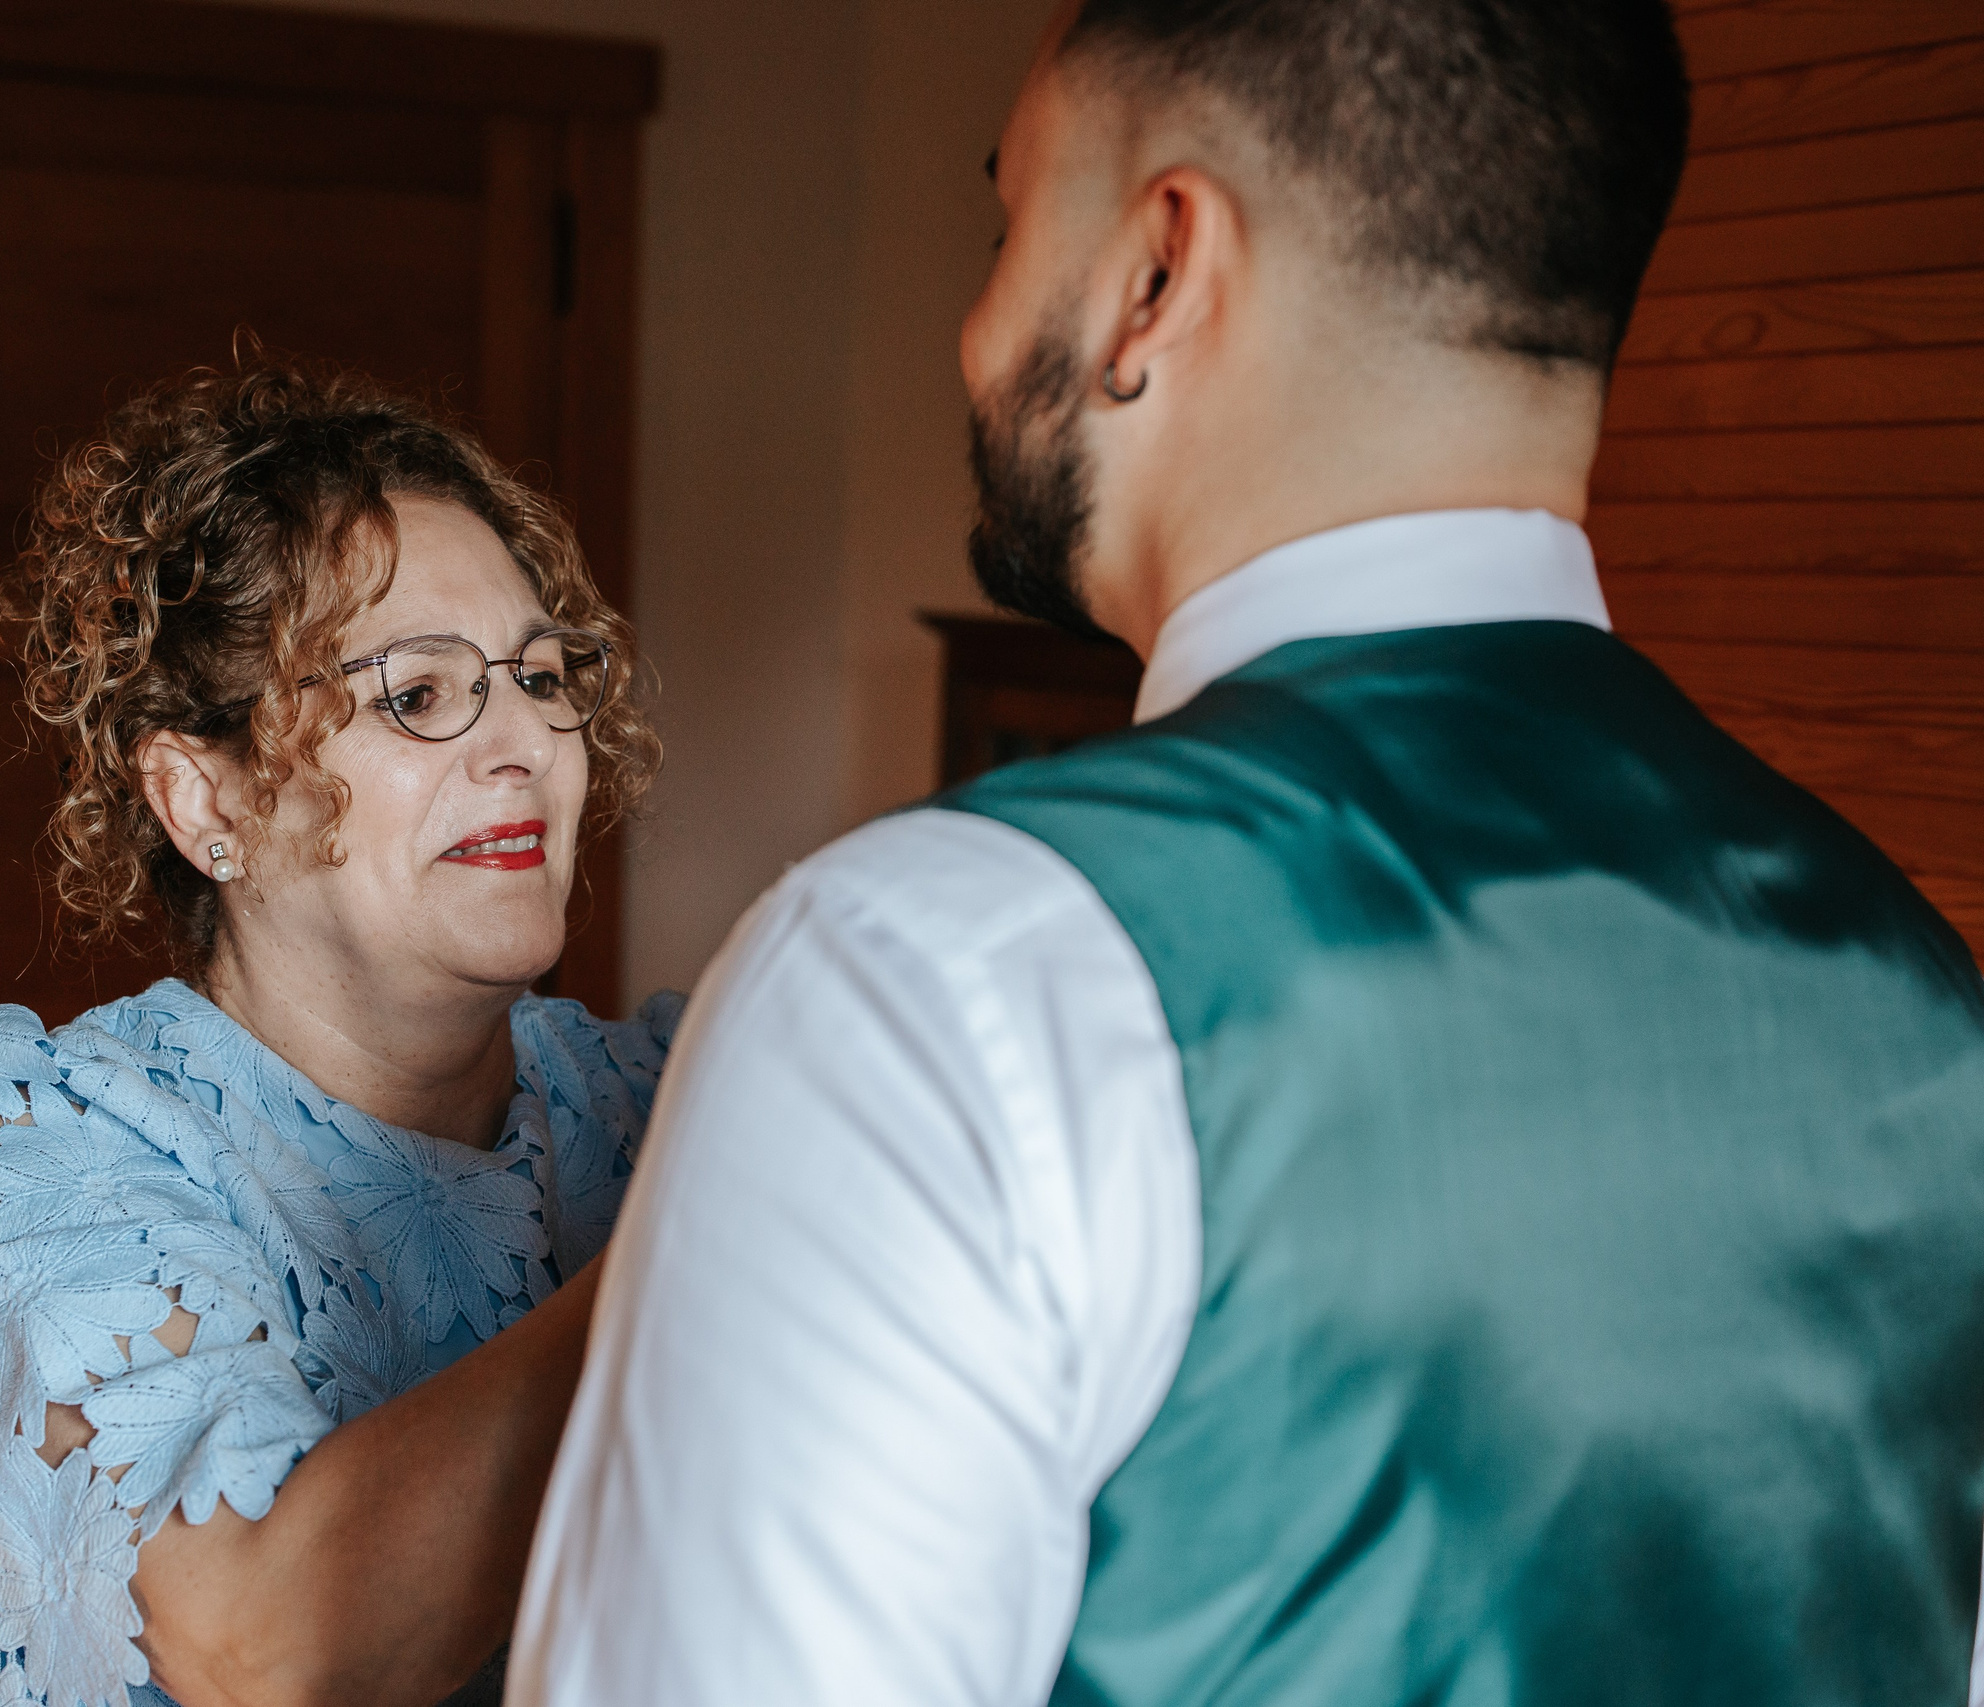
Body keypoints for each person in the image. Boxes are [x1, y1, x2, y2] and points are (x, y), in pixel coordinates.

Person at [512, 2, 1984, 1704]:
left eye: (1007, 229)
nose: (977, 331)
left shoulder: (936, 973)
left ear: (1157, 272)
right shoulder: (1923, 996)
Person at [0, 364, 679, 1707]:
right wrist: (709, 1225)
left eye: (540, 672)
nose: (526, 740)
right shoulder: (16, 1137)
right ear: (201, 792)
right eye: (419, 693)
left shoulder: (664, 1095)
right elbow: (259, 1649)